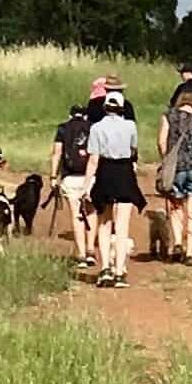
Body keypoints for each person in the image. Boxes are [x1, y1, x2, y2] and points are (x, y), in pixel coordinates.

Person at [82, 90, 145, 287]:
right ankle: (119, 272)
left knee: (104, 222)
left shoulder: (97, 128)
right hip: (124, 172)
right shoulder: (130, 126)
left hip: (105, 171)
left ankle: (105, 269)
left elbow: (93, 159)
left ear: (105, 108)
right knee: (122, 224)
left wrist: (86, 186)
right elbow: (134, 149)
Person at [156, 89, 192, 264]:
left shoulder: (168, 117)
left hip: (176, 168)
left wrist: (166, 160)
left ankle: (178, 242)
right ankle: (189, 252)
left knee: (176, 207)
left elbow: (161, 141)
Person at [48, 101, 98, 269]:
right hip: (90, 177)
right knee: (91, 211)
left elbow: (57, 153)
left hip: (70, 177)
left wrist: (53, 177)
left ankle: (81, 254)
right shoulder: (93, 127)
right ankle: (91, 250)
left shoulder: (63, 128)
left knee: (77, 215)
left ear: (70, 115)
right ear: (85, 115)